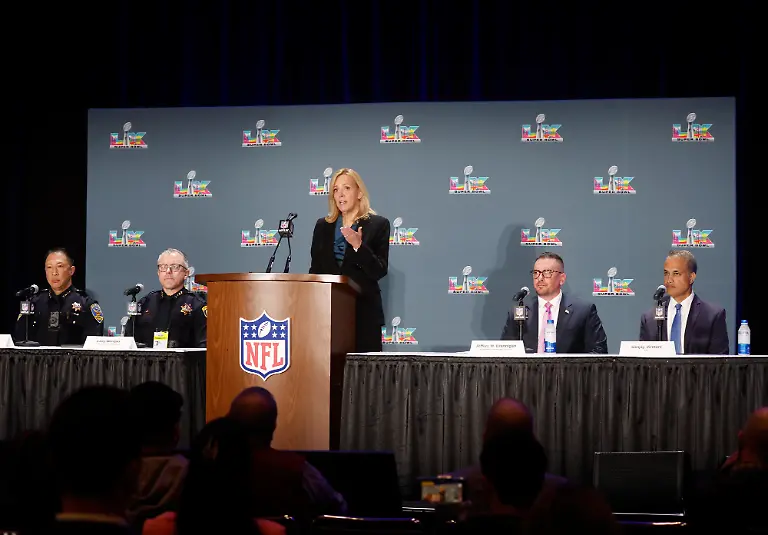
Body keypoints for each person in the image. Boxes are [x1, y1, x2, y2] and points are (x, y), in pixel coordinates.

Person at [309, 168, 390, 353]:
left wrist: (358, 247)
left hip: (363, 314)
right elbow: (315, 270)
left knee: (364, 377)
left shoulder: (378, 225)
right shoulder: (323, 226)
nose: (340, 194)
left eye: (346, 188)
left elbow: (379, 270)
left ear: (359, 192)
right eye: (336, 190)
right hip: (328, 314)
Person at [501, 252, 608, 353]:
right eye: (536, 273)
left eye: (547, 273)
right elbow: (505, 353)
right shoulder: (520, 311)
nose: (540, 278)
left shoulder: (583, 311)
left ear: (562, 279)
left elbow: (599, 352)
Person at [639, 249, 728, 354]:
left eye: (676, 273)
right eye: (666, 273)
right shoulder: (650, 319)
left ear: (691, 277)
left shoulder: (712, 316)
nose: (669, 280)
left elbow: (720, 364)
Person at [13, 247, 104, 345]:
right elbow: (19, 340)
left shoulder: (86, 304)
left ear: (71, 271)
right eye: (49, 267)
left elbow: (94, 347)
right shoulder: (34, 302)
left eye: (60, 266)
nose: (54, 273)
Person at [125, 248, 207, 348]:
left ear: (186, 273)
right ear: (158, 272)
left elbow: (204, 347)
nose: (168, 271)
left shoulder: (197, 305)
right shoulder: (145, 303)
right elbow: (128, 341)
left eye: (175, 267)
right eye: (163, 267)